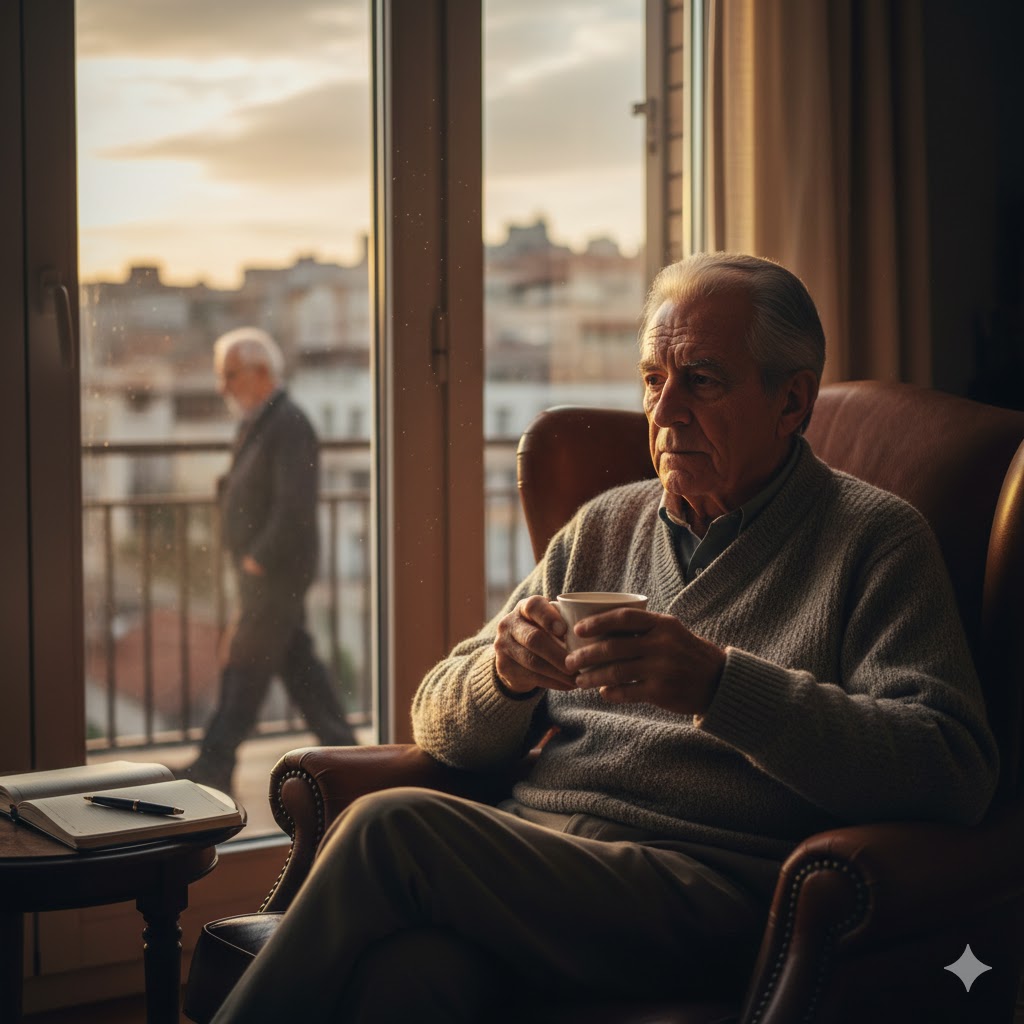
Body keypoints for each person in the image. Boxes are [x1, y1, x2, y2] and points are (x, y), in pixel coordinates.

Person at [210, 254, 998, 1021]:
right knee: (411, 977)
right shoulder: (607, 523)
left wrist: (719, 686)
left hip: (708, 887)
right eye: (653, 379)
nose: (664, 410)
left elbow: (949, 768)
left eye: (702, 379)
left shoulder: (876, 541)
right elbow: (435, 717)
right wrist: (505, 676)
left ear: (792, 403)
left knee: (389, 825)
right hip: (541, 859)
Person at [184, 327, 357, 794]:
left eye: (230, 375)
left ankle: (213, 763)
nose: (223, 387)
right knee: (300, 670)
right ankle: (353, 761)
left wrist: (258, 559)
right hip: (265, 573)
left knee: (244, 665)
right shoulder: (262, 420)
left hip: (276, 573)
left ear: (261, 373)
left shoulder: (290, 423)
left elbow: (294, 504)